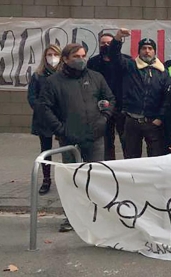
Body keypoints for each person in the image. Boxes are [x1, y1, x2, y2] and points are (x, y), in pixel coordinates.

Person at [38, 43, 114, 233]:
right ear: (65, 59)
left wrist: (104, 118)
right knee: (72, 180)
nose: (81, 60)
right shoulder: (53, 82)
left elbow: (110, 99)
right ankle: (71, 217)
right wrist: (61, 129)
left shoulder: (96, 77)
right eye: (76, 57)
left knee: (96, 178)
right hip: (69, 140)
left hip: (95, 137)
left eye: (83, 56)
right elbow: (44, 108)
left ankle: (98, 216)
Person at [109, 29, 171, 159]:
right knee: (131, 158)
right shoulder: (130, 65)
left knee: (155, 158)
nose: (147, 51)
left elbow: (167, 97)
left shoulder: (163, 72)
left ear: (155, 51)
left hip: (153, 122)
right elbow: (114, 56)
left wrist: (160, 118)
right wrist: (117, 39)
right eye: (144, 48)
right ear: (139, 51)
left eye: (150, 48)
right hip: (132, 121)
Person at [87, 33, 128, 160]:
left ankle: (128, 168)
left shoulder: (126, 61)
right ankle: (109, 167)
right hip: (102, 107)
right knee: (106, 142)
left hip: (122, 107)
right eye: (103, 43)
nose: (106, 45)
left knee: (126, 141)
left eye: (109, 43)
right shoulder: (93, 62)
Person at [28, 44, 61, 195]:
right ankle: (46, 179)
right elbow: (32, 97)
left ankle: (69, 178)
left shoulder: (64, 74)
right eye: (49, 54)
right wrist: (43, 111)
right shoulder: (38, 75)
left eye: (55, 54)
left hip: (62, 117)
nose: (52, 58)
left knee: (68, 148)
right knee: (46, 149)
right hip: (44, 118)